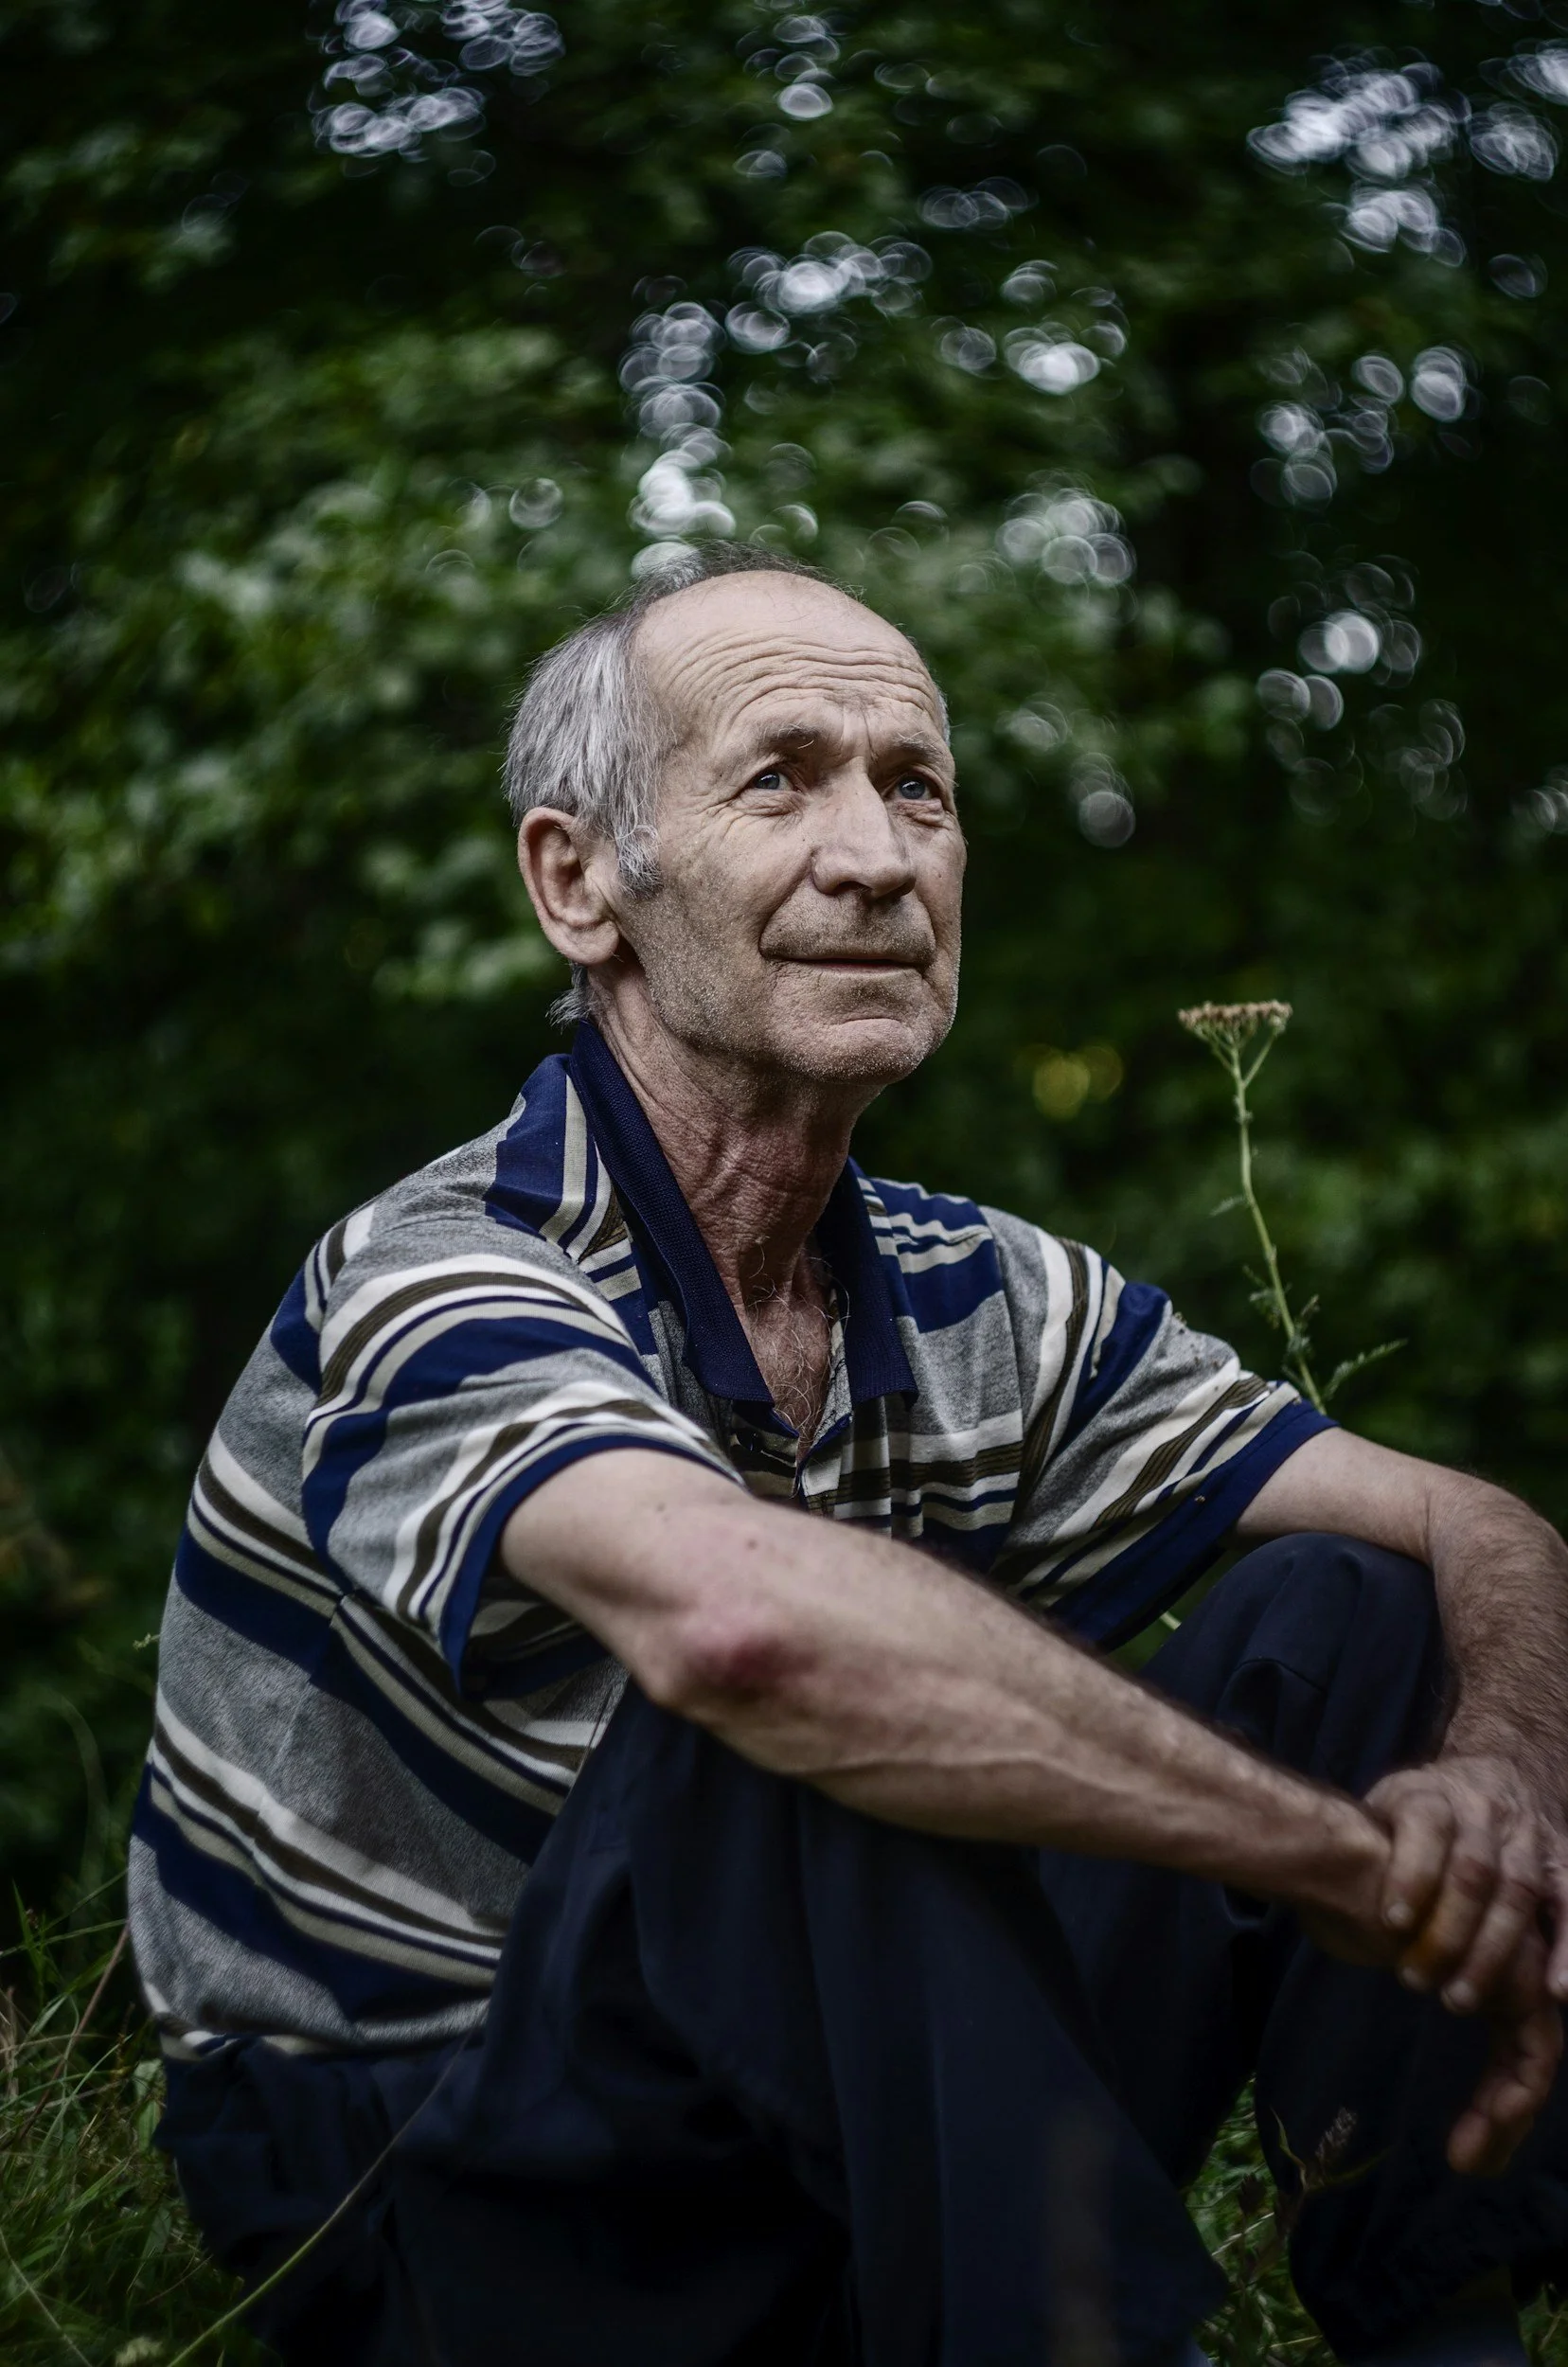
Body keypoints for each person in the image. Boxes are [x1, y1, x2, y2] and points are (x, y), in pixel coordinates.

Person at [130, 544, 1568, 2367]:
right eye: (778, 777)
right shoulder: (436, 1269)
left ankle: (1446, 2332)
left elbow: (1481, 1522)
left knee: (1357, 1605)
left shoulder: (981, 1286)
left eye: (919, 790)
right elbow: (752, 1639)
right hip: (428, 2173)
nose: (879, 857)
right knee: (801, 1692)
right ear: (582, 886)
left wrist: (1499, 1795)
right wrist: (1350, 1865)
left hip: (842, 2095)